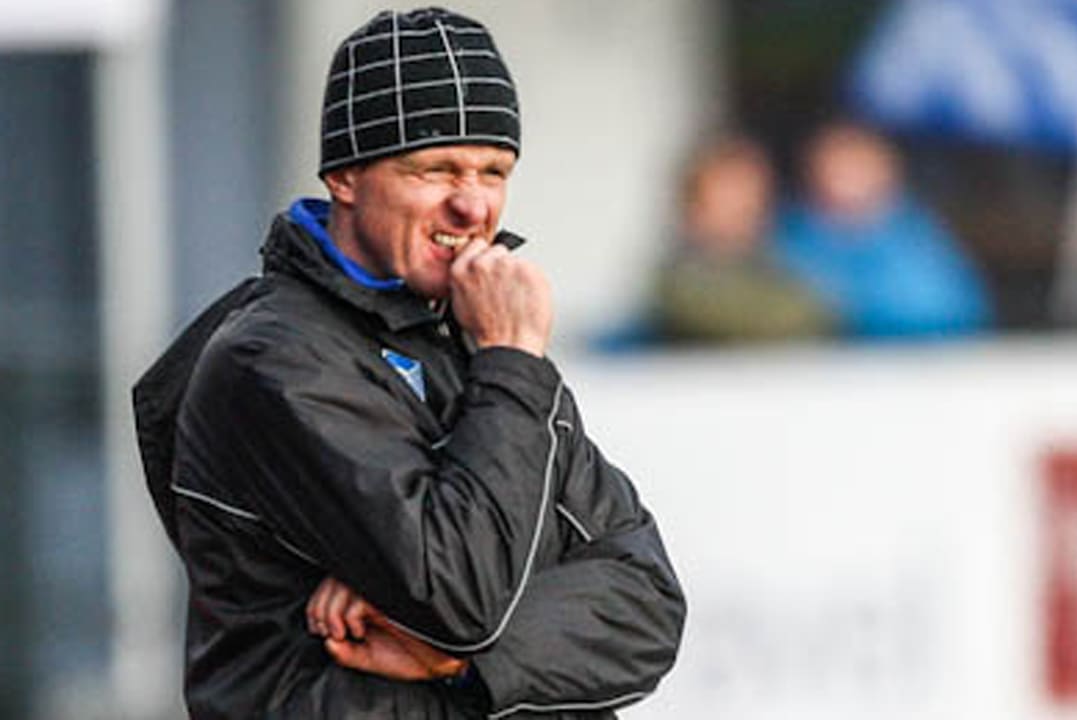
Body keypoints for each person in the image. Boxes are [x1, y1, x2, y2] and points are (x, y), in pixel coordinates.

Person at [132, 7, 685, 719]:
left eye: (494, 171)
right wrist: (512, 361)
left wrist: (463, 659)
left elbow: (647, 604)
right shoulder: (272, 359)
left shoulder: (474, 337)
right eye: (436, 169)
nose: (473, 205)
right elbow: (459, 594)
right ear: (345, 177)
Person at [778, 121, 992, 339]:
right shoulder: (789, 239)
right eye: (837, 168)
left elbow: (949, 306)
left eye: (859, 167)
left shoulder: (915, 234)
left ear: (888, 172)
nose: (848, 180)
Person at [648, 133, 833, 344]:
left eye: (752, 197)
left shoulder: (782, 264)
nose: (745, 208)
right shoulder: (681, 281)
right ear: (693, 206)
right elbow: (785, 320)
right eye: (727, 199)